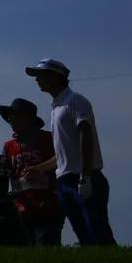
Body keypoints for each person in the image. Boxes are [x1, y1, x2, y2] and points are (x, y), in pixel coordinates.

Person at [21, 59, 117, 246]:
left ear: (56, 76)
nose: (37, 80)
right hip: (65, 181)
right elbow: (63, 153)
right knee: (84, 236)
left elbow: (85, 135)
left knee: (98, 233)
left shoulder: (75, 101)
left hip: (83, 178)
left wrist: (85, 176)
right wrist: (40, 168)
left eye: (41, 75)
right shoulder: (56, 107)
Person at [0, 97, 64, 246]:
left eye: (13, 116)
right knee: (26, 247)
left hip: (48, 205)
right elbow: (4, 168)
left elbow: (62, 158)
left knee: (46, 244)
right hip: (22, 206)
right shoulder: (8, 147)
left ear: (26, 118)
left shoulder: (49, 139)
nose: (9, 120)